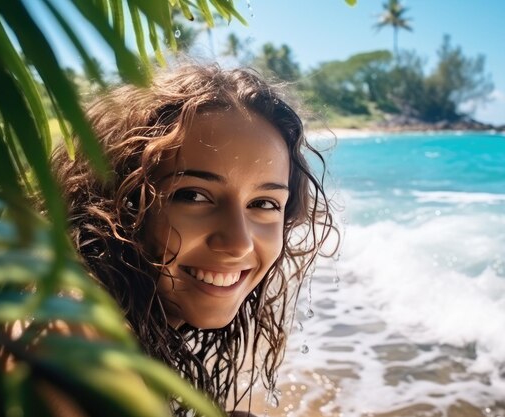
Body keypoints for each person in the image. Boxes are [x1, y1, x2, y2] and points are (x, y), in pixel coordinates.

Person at [52, 63, 336, 415]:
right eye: (194, 196)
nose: (240, 243)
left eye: (263, 203)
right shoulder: (76, 344)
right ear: (117, 201)